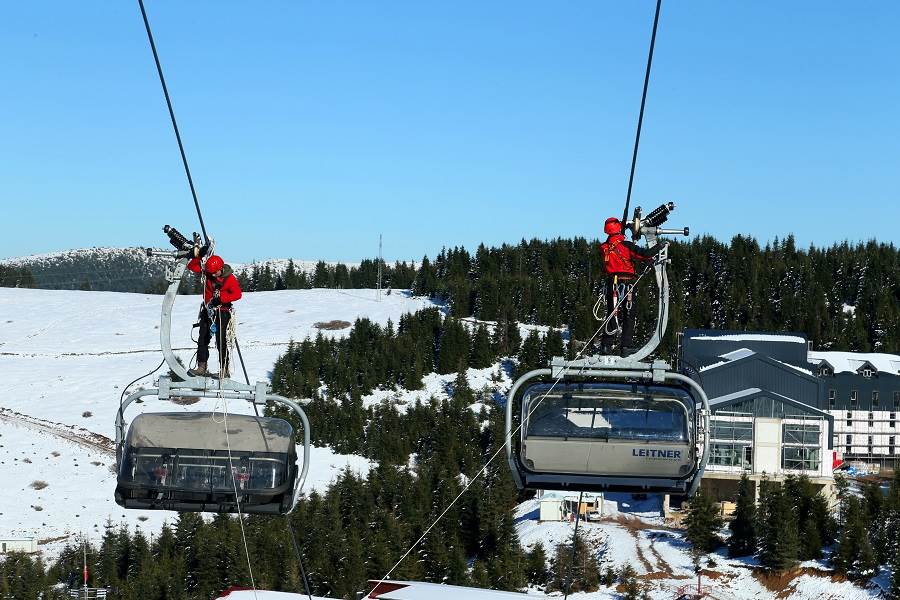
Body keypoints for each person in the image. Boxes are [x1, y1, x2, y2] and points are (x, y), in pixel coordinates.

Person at [599, 217, 660, 356]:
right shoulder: (625, 245)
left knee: (612, 314)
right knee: (629, 315)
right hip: (627, 284)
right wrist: (660, 246)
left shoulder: (604, 247)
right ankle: (626, 346)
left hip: (612, 284)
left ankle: (606, 346)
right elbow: (644, 254)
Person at [186, 254, 242, 377]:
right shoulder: (208, 273)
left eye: (215, 273)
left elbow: (238, 294)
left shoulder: (230, 279)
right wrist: (198, 256)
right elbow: (191, 266)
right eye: (210, 273)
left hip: (222, 312)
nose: (212, 275)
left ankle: (224, 370)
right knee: (203, 338)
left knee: (220, 340)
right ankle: (201, 366)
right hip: (208, 310)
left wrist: (222, 298)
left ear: (221, 268)